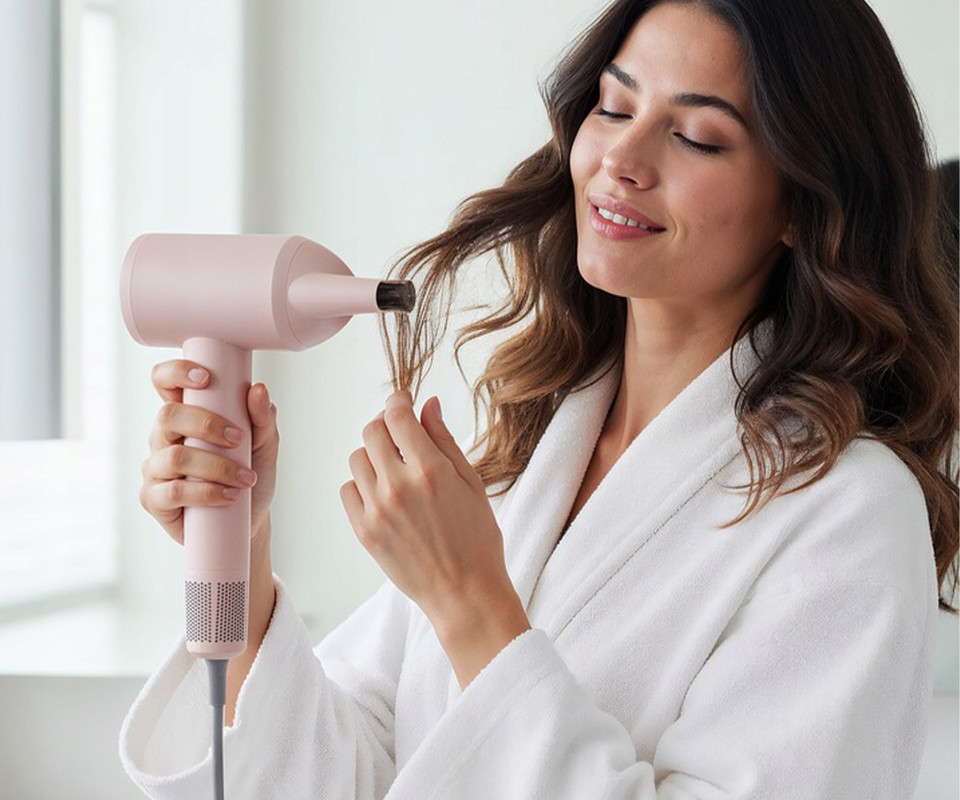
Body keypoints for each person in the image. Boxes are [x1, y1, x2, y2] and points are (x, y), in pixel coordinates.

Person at [119, 0, 959, 798]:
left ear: (801, 204)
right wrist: (242, 550)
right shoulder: (530, 454)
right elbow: (354, 776)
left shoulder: (850, 512)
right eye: (613, 108)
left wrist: (472, 603)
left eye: (697, 138)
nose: (622, 161)